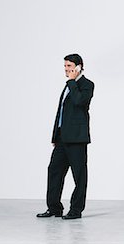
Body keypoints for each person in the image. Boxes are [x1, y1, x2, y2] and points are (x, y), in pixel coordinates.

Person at [37, 54, 95, 220]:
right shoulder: (68, 86)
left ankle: (76, 210)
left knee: (79, 176)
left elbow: (79, 102)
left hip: (77, 139)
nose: (66, 69)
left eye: (69, 66)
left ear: (79, 67)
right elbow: (61, 113)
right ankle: (54, 208)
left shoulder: (87, 85)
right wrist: (55, 136)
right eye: (65, 67)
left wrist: (71, 81)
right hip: (62, 139)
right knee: (54, 171)